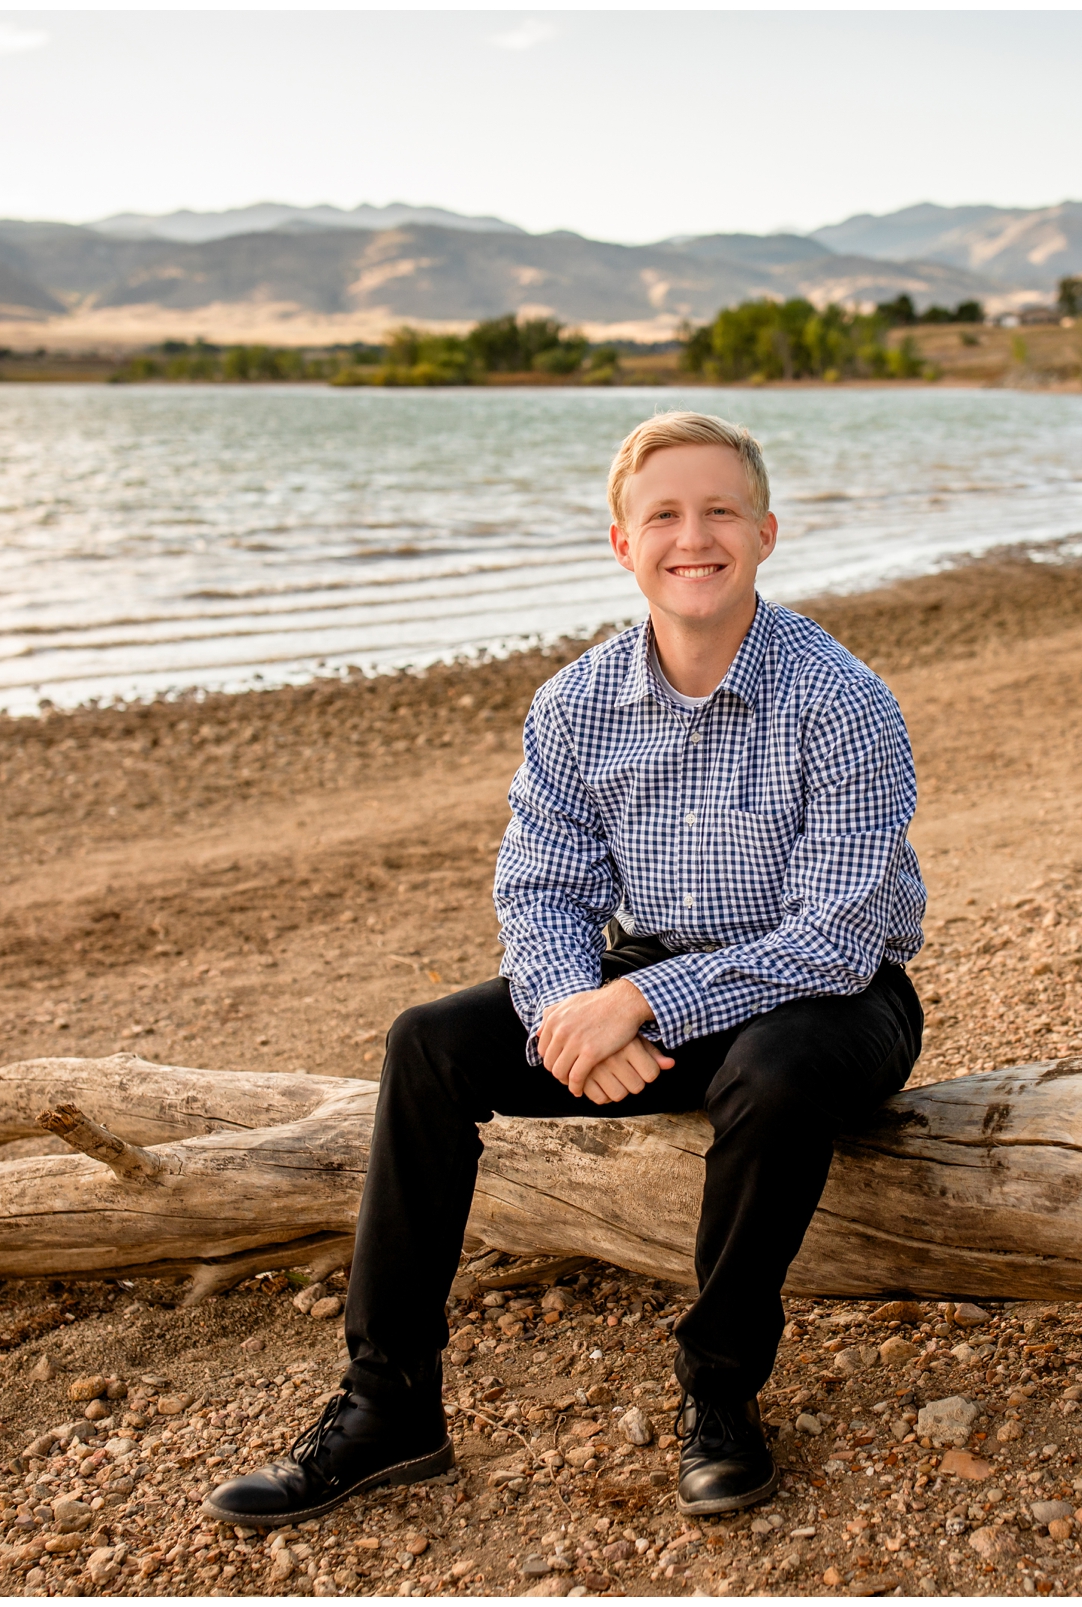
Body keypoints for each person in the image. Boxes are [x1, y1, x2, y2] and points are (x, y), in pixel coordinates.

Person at [203, 410, 927, 1529]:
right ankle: (388, 1406)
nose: (695, 536)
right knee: (427, 1043)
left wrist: (636, 999)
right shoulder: (576, 704)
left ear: (768, 533)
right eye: (665, 515)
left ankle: (721, 1393)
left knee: (775, 1069)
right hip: (652, 982)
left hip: (835, 998)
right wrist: (564, 1018)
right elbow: (541, 894)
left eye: (721, 510)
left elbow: (830, 937)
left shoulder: (841, 700)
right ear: (622, 544)